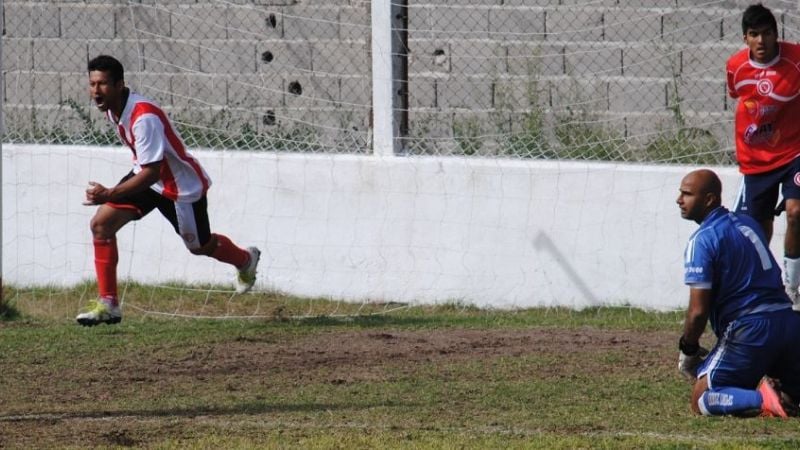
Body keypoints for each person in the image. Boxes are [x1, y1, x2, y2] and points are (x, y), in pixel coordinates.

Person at [77, 55, 260, 326]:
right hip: (149, 179)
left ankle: (245, 259)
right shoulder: (113, 107)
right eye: (92, 84)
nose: (95, 91)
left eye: (102, 84)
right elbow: (148, 170)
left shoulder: (143, 117)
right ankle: (109, 304)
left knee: (199, 246)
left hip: (179, 187)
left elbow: (152, 171)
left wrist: (110, 193)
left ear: (119, 85)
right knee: (101, 225)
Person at [676, 169, 800, 417]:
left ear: (709, 199)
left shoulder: (702, 239)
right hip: (789, 323)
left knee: (701, 398)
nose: (679, 200)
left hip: (750, 331)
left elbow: (698, 312)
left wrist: (688, 348)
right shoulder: (748, 224)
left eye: (687, 194)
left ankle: (763, 399)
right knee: (792, 393)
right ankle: (786, 397)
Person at [726, 3, 800, 309]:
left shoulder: (795, 60)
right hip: (756, 160)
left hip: (795, 151)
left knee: (797, 212)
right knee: (758, 230)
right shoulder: (736, 67)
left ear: (776, 35)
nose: (761, 41)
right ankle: (760, 288)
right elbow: (737, 96)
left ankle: (792, 287)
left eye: (767, 33)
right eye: (754, 35)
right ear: (745, 38)